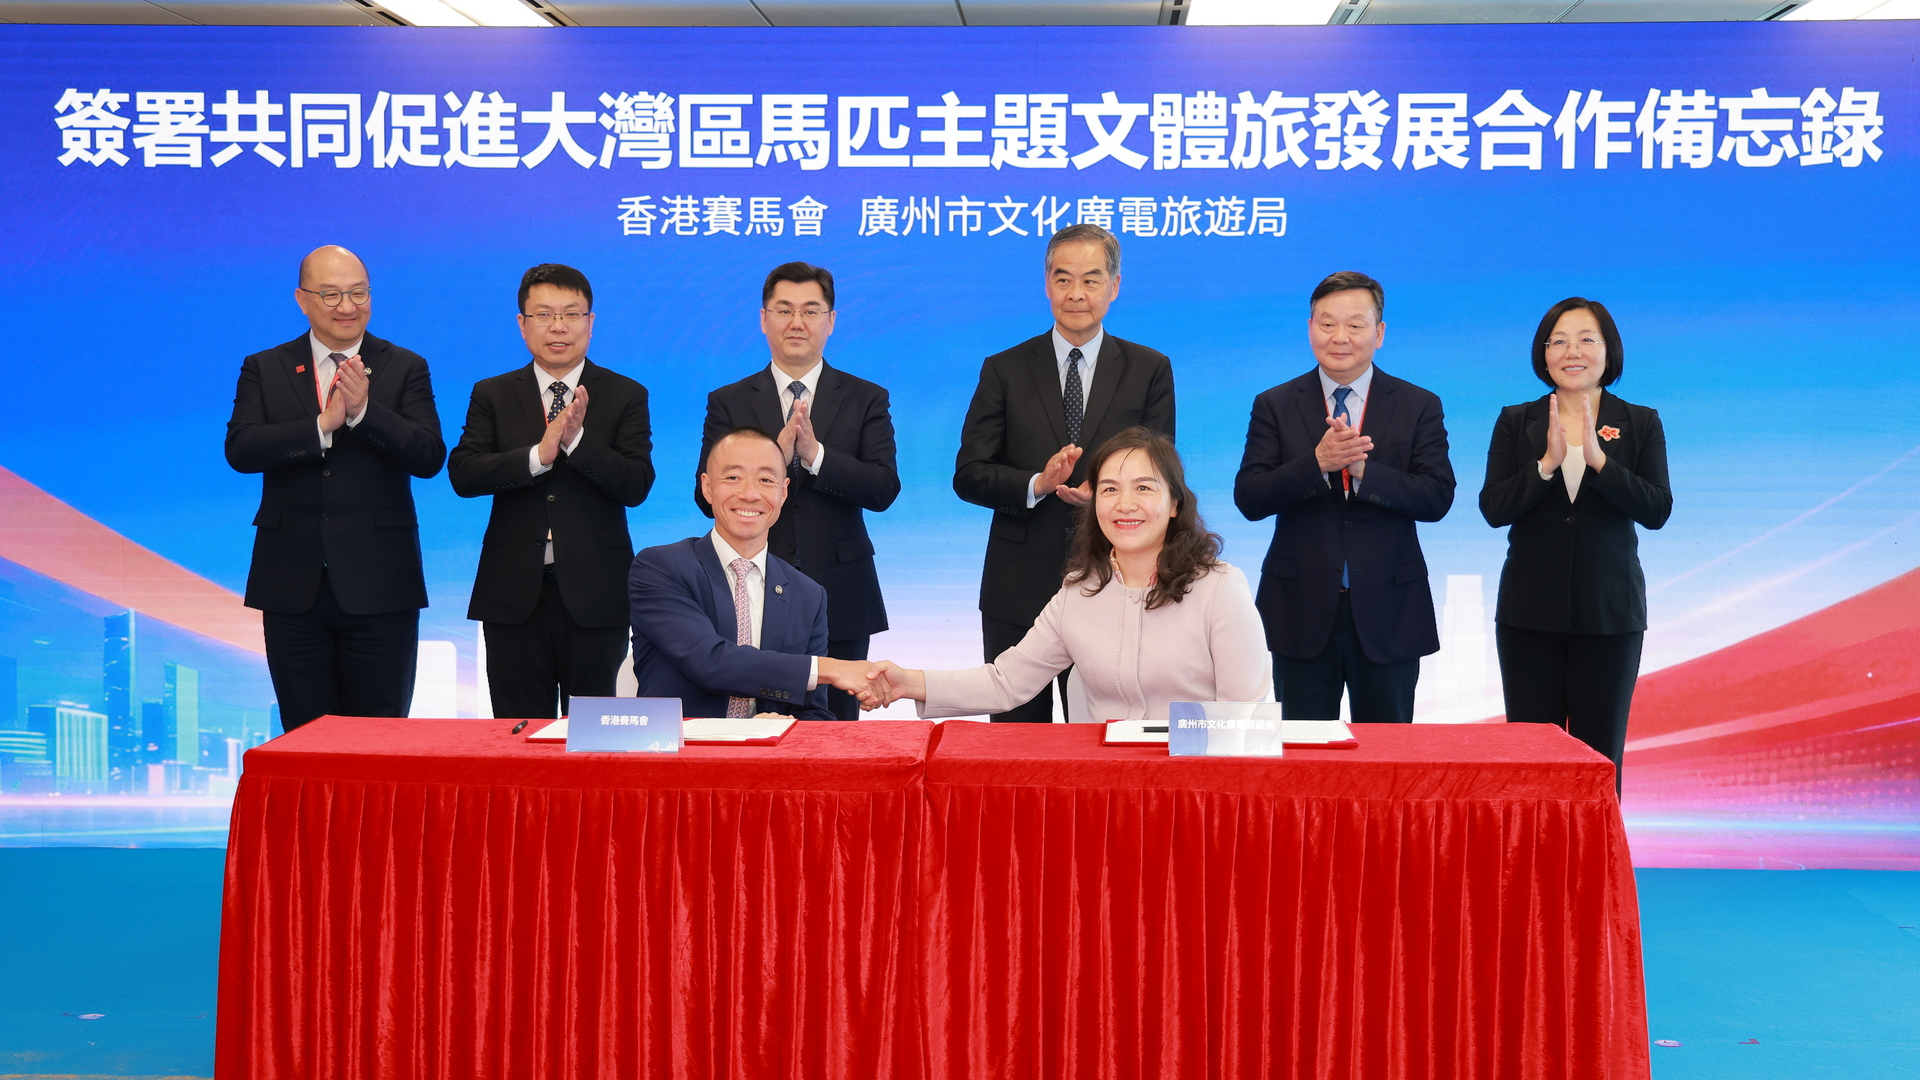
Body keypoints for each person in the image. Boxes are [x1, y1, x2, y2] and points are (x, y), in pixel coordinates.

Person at [861, 428, 1267, 720]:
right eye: (1109, 489)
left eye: (1144, 488)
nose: (1125, 504)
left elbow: (1242, 714)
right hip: (1102, 785)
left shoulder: (1219, 588)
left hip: (1194, 785)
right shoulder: (1079, 592)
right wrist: (907, 682)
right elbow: (1005, 682)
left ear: (1175, 504)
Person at [953, 223, 1176, 722]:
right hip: (1018, 586)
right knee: (1016, 743)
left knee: (1105, 742)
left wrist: (1108, 492)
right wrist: (1038, 484)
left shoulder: (1149, 369)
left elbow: (1161, 473)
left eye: (1091, 279)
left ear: (1114, 286)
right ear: (1047, 283)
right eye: (1063, 278)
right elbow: (968, 473)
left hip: (1115, 584)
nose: (1076, 293)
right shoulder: (1004, 368)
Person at [225, 245, 445, 730]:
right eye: (331, 294)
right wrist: (320, 426)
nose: (348, 306)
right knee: (306, 738)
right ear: (302, 299)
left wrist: (365, 413)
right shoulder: (266, 366)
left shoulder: (404, 366)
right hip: (291, 584)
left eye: (358, 293)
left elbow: (429, 455)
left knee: (378, 739)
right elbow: (241, 449)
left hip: (381, 584)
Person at [1233, 271, 1454, 723]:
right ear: (1310, 328)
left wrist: (1364, 472)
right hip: (1300, 608)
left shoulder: (1418, 404)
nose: (1340, 337)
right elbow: (1250, 497)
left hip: (1389, 609)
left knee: (1386, 753)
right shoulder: (1275, 403)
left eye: (1355, 325)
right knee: (1302, 752)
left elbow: (1437, 497)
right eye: (1327, 323)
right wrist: (1317, 463)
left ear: (1379, 333)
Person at [448, 264, 656, 721]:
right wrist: (536, 457)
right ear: (523, 324)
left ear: (590, 322)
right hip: (512, 591)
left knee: (594, 734)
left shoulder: (625, 394)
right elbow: (463, 473)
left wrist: (577, 443)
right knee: (518, 731)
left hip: (596, 593)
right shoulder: (493, 393)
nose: (558, 326)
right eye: (543, 314)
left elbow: (636, 483)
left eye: (571, 314)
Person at [1479, 298, 1671, 790]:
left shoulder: (1641, 421)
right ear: (1544, 353)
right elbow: (1494, 508)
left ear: (1609, 351)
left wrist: (1601, 463)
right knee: (1529, 765)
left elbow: (1657, 509)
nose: (1573, 351)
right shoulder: (1516, 420)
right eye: (1559, 341)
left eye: (1587, 339)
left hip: (1609, 616)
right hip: (1528, 616)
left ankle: (1596, 847)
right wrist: (1545, 465)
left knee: (1598, 762)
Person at [697, 262, 899, 721]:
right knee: (753, 717)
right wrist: (772, 459)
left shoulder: (867, 397)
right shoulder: (729, 400)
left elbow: (883, 488)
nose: (796, 322)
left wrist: (815, 455)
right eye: (784, 309)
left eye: (810, 310)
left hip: (841, 588)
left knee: (837, 727)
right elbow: (702, 493)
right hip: (749, 587)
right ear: (763, 318)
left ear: (831, 320)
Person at [629, 428, 880, 722]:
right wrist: (832, 669)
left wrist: (787, 728)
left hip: (771, 751)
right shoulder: (660, 567)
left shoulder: (809, 595)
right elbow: (710, 662)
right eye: (733, 477)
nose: (749, 494)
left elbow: (815, 713)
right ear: (707, 487)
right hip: (679, 746)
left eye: (765, 480)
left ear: (783, 492)